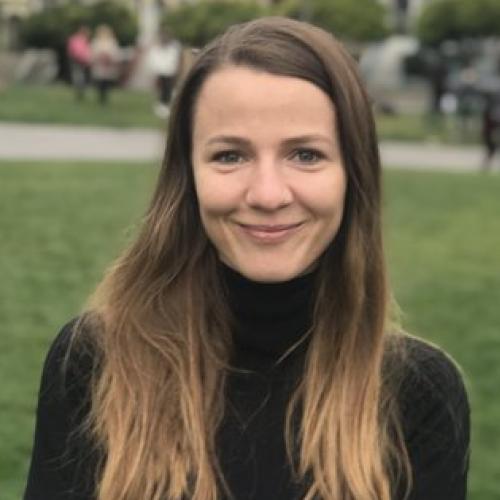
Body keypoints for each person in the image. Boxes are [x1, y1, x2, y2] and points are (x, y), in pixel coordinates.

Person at [24, 17, 470, 500]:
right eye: (230, 156)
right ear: (187, 178)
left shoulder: (419, 394)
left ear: (353, 173)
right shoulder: (94, 361)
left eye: (305, 154)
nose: (267, 194)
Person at [147, 28, 182, 118]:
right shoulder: (156, 48)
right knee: (162, 90)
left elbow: (176, 61)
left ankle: (166, 106)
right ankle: (161, 106)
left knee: (168, 90)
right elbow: (154, 61)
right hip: (161, 72)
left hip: (170, 72)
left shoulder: (174, 48)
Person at [90, 24, 121, 105]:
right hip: (99, 65)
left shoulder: (112, 42)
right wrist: (100, 57)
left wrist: (109, 58)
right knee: (100, 81)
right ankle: (101, 96)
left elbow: (115, 53)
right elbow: (92, 53)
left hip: (108, 65)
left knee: (106, 82)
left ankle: (104, 97)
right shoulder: (96, 42)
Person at [66, 26, 91, 100]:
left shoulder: (86, 40)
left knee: (82, 77)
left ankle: (81, 91)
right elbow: (72, 51)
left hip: (84, 62)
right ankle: (79, 92)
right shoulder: (75, 39)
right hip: (76, 61)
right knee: (78, 77)